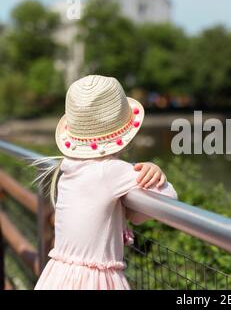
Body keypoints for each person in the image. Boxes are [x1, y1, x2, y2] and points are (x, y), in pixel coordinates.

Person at [34, 75, 177, 290]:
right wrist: (156, 172)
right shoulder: (110, 171)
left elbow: (132, 216)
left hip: (58, 276)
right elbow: (169, 199)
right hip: (94, 281)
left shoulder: (70, 167)